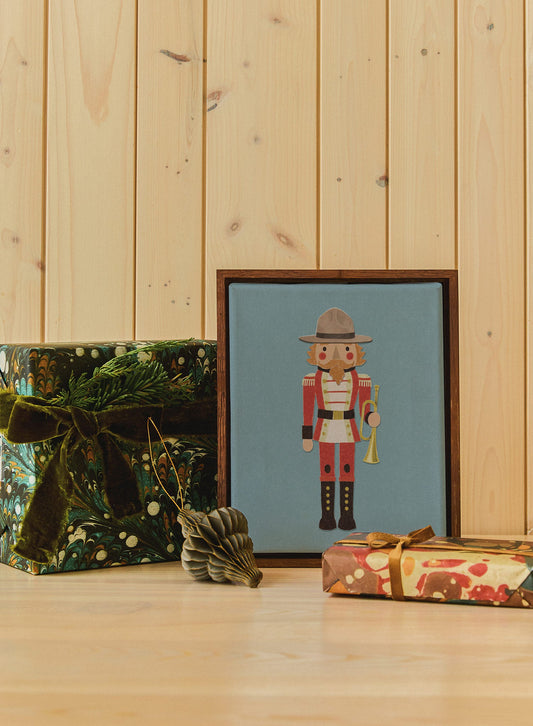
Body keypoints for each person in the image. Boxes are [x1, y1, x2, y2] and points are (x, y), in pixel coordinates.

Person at [299, 307, 380, 530]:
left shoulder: (361, 379)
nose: (336, 356)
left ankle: (346, 516)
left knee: (347, 469)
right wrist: (306, 435)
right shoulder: (312, 379)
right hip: (324, 426)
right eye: (326, 349)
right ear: (317, 352)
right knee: (326, 470)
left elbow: (364, 407)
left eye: (344, 349)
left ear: (355, 351)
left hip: (348, 426)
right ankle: (327, 517)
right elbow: (308, 409)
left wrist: (370, 417)